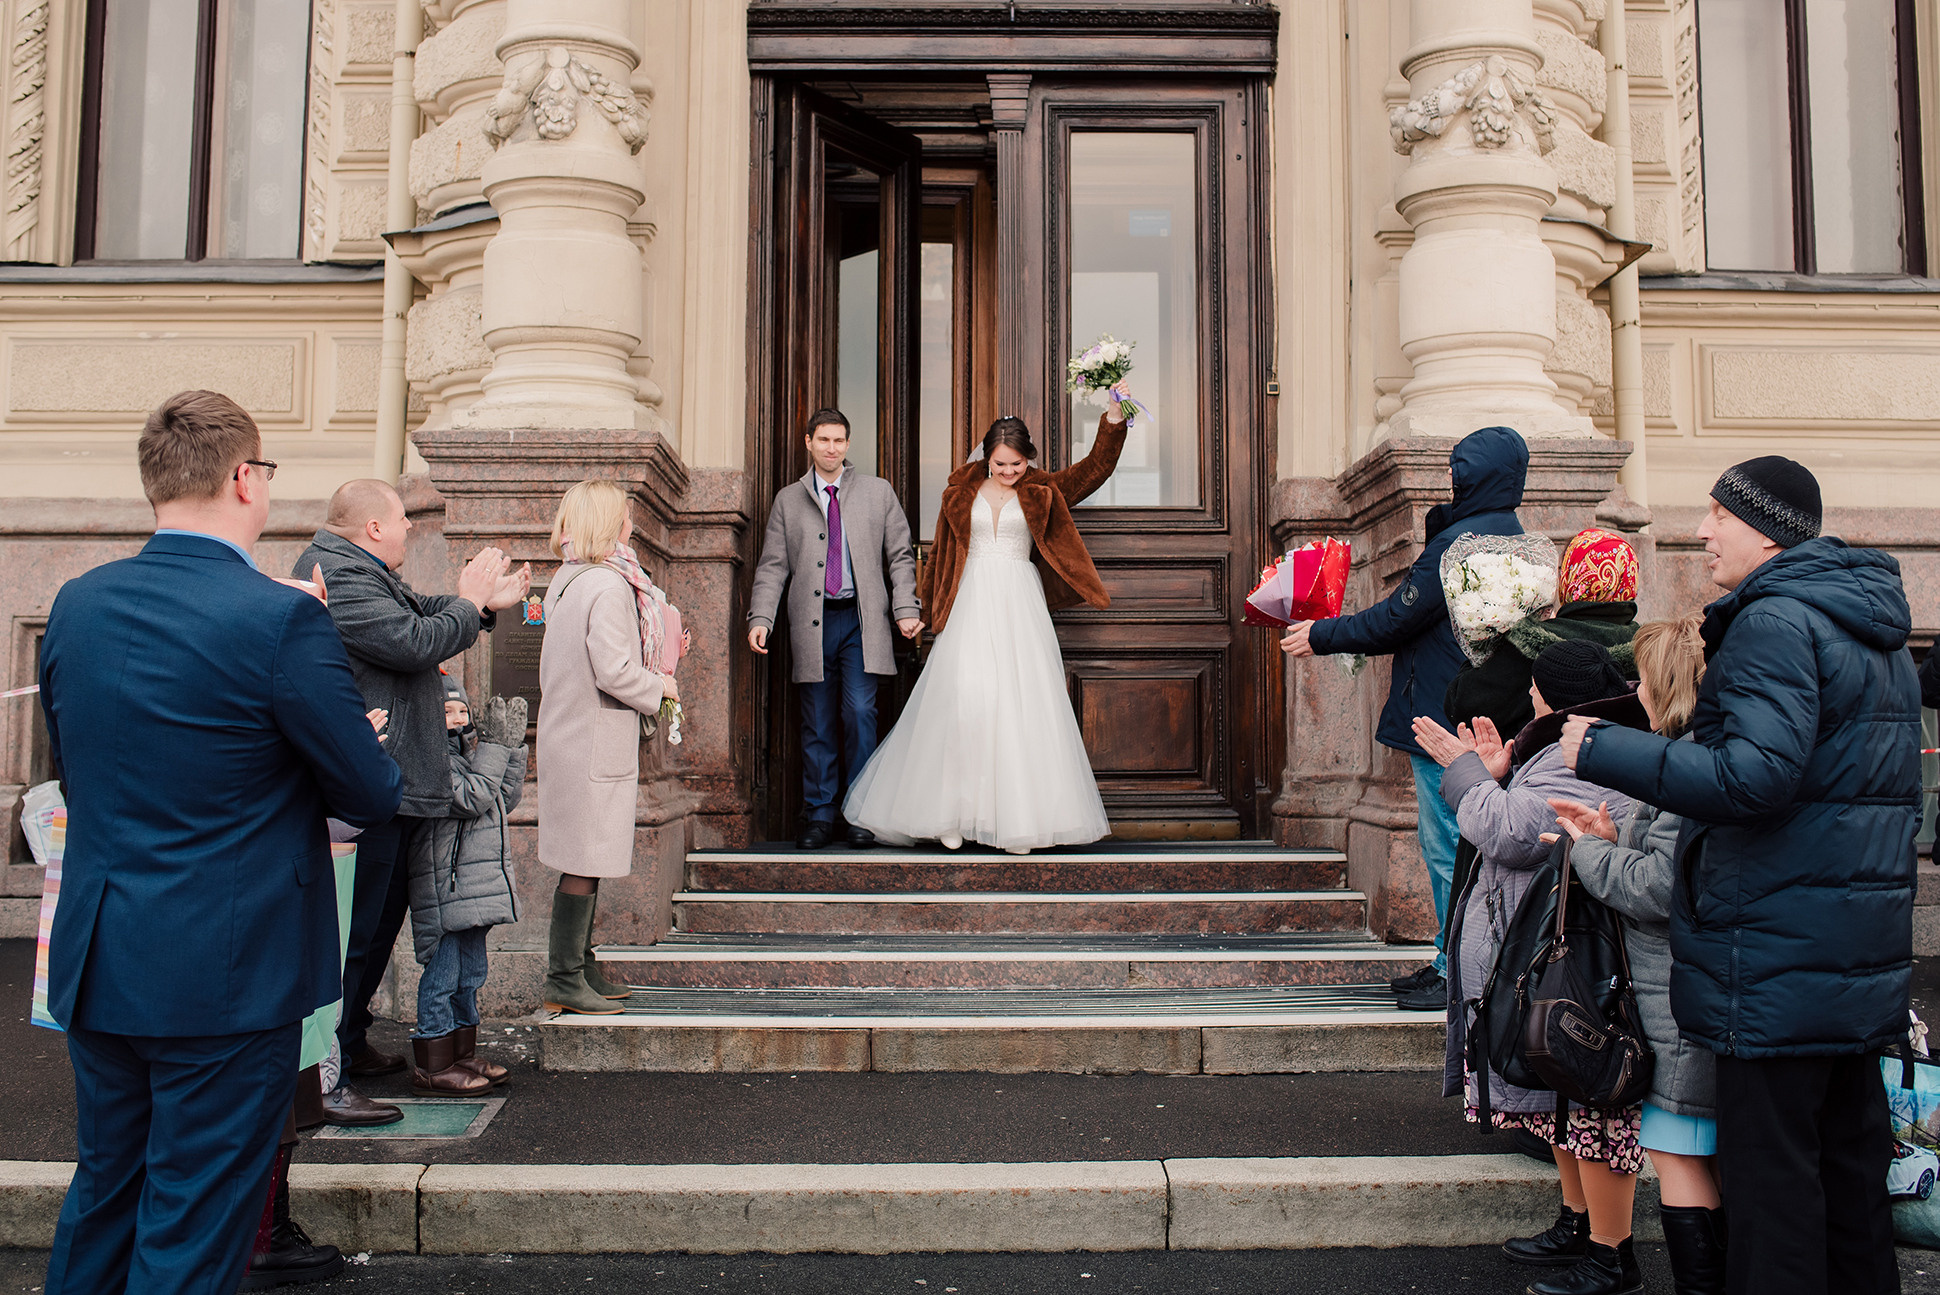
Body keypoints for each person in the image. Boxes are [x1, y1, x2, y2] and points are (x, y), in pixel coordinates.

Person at [37, 390, 402, 1294]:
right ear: (244, 478)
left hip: (103, 951)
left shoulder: (77, 604)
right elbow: (371, 791)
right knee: (195, 1222)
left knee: (106, 1194)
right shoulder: (280, 618)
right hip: (228, 970)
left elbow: (80, 774)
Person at [1564, 457, 1919, 1295]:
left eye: (1719, 515)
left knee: (1776, 1198)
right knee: (1850, 1192)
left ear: (1765, 529)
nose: (1702, 531)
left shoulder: (1773, 621)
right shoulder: (1872, 631)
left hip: (1775, 962)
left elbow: (1753, 778)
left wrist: (1606, 748)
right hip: (1853, 961)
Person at [292, 479, 530, 1125]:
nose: (407, 529)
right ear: (374, 527)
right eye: (402, 520)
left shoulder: (362, 571)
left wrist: (479, 607)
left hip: (391, 785)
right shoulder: (338, 575)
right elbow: (414, 640)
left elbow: (426, 613)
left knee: (374, 932)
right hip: (368, 788)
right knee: (355, 938)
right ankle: (328, 1075)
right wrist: (470, 601)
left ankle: (350, 1040)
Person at [1415, 641, 1643, 1295]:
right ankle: (1578, 1222)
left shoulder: (1586, 746)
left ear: (1554, 695)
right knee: (1561, 1097)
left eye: (1536, 687)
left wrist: (1466, 773)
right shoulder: (1569, 740)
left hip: (1580, 958)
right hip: (1553, 951)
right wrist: (1494, 774)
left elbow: (1514, 833)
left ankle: (1612, 1254)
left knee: (1591, 1103)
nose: (1528, 696)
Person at [1283, 426, 1530, 1011]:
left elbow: (1398, 617)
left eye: (1457, 471)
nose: (1452, 481)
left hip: (1445, 719)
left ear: (1471, 477)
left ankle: (1459, 973)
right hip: (1490, 716)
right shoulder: (1517, 541)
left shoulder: (1458, 545)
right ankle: (1454, 959)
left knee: (1448, 847)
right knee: (1470, 844)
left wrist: (1322, 634)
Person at [841, 390, 1129, 852]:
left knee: (1019, 705)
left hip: (1020, 603)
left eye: (1017, 464)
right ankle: (950, 814)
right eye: (1000, 464)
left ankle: (1018, 822)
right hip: (970, 602)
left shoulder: (1043, 490)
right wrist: (921, 611)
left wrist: (1113, 418)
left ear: (1028, 459)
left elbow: (1096, 469)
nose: (1009, 472)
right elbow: (940, 556)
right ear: (986, 458)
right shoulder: (959, 492)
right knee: (964, 702)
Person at [1549, 614, 1723, 1295]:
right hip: (1675, 986)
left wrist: (1588, 853)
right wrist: (1610, 838)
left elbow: (1659, 886)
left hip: (1676, 991)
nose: (1635, 689)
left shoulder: (1684, 765)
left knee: (1677, 1150)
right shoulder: (1686, 758)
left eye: (1643, 678)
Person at [748, 409, 923, 849]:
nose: (832, 448)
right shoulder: (788, 500)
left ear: (848, 444)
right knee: (817, 720)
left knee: (860, 713)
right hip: (813, 624)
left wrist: (905, 607)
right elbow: (773, 566)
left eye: (839, 441)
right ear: (808, 442)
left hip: (861, 623)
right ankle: (820, 816)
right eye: (823, 440)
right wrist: (761, 618)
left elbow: (900, 556)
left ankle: (861, 813)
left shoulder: (878, 493)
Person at [538, 480, 681, 1014]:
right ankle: (565, 976)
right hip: (592, 738)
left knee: (585, 854)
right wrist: (661, 684)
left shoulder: (570, 578)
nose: (631, 524)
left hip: (572, 734)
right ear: (609, 523)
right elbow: (615, 670)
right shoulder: (608, 584)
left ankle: (580, 963)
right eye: (625, 515)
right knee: (583, 857)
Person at [405, 678, 527, 1095]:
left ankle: (460, 1053)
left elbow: (501, 799)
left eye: (463, 711)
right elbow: (472, 797)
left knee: (470, 974)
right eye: (446, 712)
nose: (458, 719)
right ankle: (433, 1062)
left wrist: (511, 749)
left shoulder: (470, 755)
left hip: (473, 887)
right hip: (446, 887)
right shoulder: (428, 759)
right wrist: (493, 749)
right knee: (443, 975)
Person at [1445, 526, 1641, 741]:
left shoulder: (1534, 641)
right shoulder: (1647, 646)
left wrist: (1485, 646)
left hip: (1539, 759)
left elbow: (1462, 704)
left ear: (1570, 577)